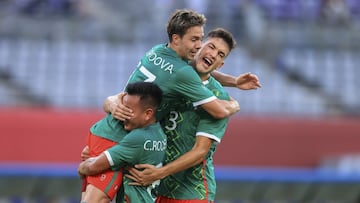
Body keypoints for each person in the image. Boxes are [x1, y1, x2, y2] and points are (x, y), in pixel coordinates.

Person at [126, 28, 240, 203]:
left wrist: (159, 173)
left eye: (221, 54)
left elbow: (200, 151)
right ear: (199, 46)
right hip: (157, 187)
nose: (214, 54)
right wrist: (111, 102)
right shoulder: (172, 73)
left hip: (192, 192)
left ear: (220, 64)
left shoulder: (218, 98)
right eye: (211, 47)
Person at [78, 81, 166, 203]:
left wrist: (82, 167)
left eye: (128, 111)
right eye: (121, 107)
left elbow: (93, 167)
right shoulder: (159, 135)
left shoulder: (138, 138)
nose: (122, 115)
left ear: (148, 114)